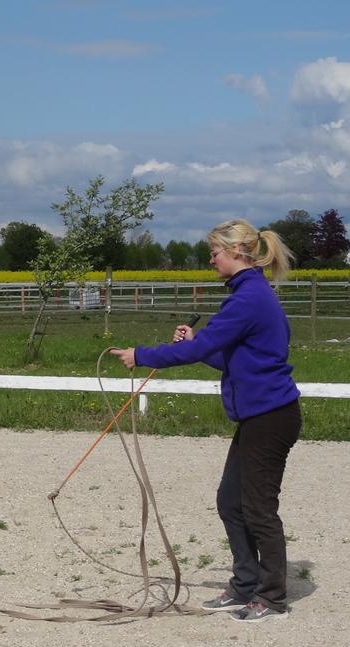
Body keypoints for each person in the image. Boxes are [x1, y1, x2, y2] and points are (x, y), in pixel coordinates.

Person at [109, 219, 301, 622]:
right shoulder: (248, 295)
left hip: (270, 418)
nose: (211, 259)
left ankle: (271, 596)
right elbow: (228, 359)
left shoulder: (247, 299)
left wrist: (141, 354)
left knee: (258, 508)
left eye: (215, 252)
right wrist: (198, 343)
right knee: (231, 502)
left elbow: (202, 353)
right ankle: (246, 584)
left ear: (238, 253)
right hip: (258, 416)